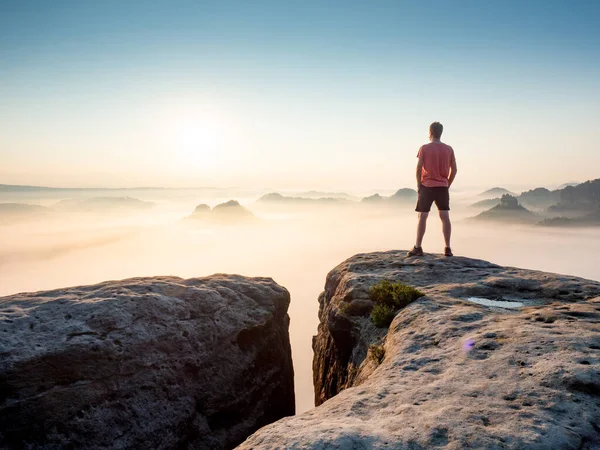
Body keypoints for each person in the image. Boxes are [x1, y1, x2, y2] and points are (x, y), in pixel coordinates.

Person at [407, 122, 457, 257]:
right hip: (442, 186)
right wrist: (447, 183)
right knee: (445, 216)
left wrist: (419, 185)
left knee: (422, 216)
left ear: (430, 132)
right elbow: (454, 169)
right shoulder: (449, 149)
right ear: (441, 133)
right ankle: (447, 248)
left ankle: (418, 247)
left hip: (427, 186)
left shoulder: (424, 148)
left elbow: (418, 168)